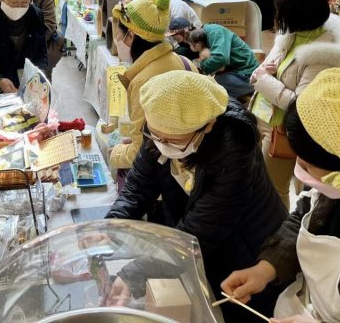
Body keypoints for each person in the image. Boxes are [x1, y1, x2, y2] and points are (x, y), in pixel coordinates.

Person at [223, 68, 340, 323]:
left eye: (307, 165)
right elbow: (305, 218)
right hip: (302, 306)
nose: (300, 169)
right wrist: (264, 269)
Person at [107, 71, 287, 323]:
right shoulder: (160, 130)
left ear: (209, 125)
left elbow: (200, 231)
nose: (162, 145)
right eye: (155, 135)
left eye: (173, 141)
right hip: (201, 244)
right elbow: (137, 187)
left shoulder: (234, 151)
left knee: (239, 309)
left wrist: (133, 274)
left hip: (247, 248)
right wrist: (111, 226)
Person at [249, 0, 340, 209]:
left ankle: (278, 228)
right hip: (262, 118)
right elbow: (261, 72)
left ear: (300, 14)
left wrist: (264, 80)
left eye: (282, 12)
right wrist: (261, 76)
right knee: (260, 183)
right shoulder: (290, 35)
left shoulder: (323, 54)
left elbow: (301, 105)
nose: (277, 17)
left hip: (282, 131)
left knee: (274, 190)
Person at [109, 0, 194, 175]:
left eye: (119, 32)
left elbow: (140, 153)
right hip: (191, 169)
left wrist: (114, 153)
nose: (117, 38)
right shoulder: (186, 63)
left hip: (165, 175)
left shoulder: (142, 81)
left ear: (131, 35)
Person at [11, 0, 62, 80]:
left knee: (40, 88)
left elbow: (50, 27)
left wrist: (28, 44)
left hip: (37, 56)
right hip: (12, 60)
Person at [189, 25, 259, 99]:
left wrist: (201, 66)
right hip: (237, 70)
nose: (189, 47)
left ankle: (252, 89)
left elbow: (220, 60)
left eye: (190, 45)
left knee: (216, 81)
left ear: (197, 45)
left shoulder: (215, 33)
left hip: (247, 73)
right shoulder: (208, 39)